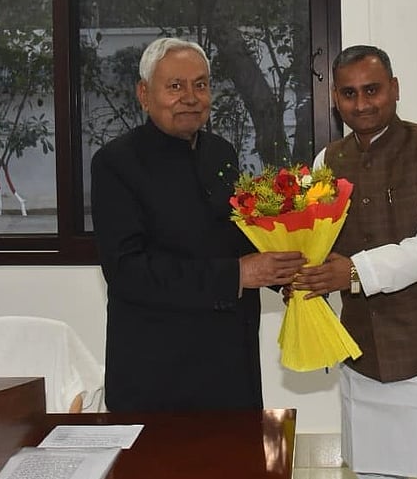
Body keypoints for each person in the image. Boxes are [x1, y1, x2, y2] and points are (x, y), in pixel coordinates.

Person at [292, 45, 417, 479]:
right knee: (375, 472)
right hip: (364, 349)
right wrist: (305, 277)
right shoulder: (327, 161)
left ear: (395, 89)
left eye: (372, 90)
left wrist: (356, 273)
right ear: (335, 100)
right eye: (349, 93)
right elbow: (318, 244)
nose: (362, 104)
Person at [91, 37, 306, 412]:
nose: (191, 97)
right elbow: (127, 271)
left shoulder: (221, 151)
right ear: (144, 94)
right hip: (157, 375)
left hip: (230, 368)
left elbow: (232, 239)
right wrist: (236, 275)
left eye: (201, 84)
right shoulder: (116, 163)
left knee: (238, 469)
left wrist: (283, 273)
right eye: (175, 86)